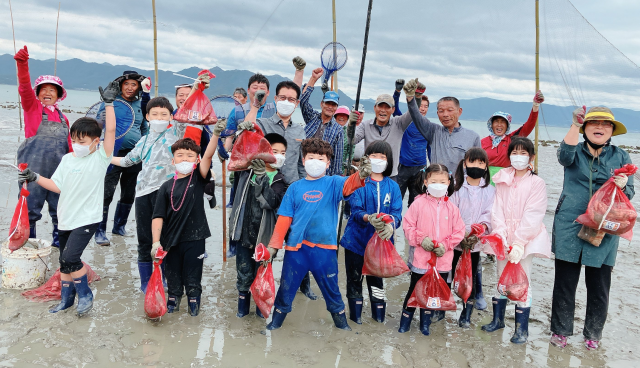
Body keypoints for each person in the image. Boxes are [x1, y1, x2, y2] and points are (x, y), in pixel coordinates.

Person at [18, 81, 118, 316]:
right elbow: (56, 186)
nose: (77, 145)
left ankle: (85, 295)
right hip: (66, 218)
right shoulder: (68, 159)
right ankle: (66, 300)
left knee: (71, 258)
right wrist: (35, 176)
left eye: (83, 141)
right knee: (64, 262)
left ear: (95, 142)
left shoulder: (101, 157)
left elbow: (111, 131)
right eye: (74, 141)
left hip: (87, 219)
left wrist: (110, 104)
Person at [263, 139, 372, 331]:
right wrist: (273, 247)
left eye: (320, 158)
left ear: (328, 163)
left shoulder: (334, 182)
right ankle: (275, 324)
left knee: (332, 290)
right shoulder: (294, 188)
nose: (315, 161)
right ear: (303, 160)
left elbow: (350, 185)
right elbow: (283, 220)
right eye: (311, 157)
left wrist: (360, 175)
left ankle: (342, 325)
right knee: (286, 288)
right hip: (296, 249)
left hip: (325, 250)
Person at [550, 106, 633, 350]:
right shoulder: (573, 149)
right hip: (570, 223)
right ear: (585, 128)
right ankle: (560, 331)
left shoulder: (621, 156)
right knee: (565, 282)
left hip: (606, 226)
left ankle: (593, 335)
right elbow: (563, 157)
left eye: (606, 124)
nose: (600, 127)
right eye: (593, 123)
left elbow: (630, 194)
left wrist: (625, 184)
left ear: (612, 131)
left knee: (599, 285)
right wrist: (574, 124)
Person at [110, 97, 189, 292]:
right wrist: (102, 158)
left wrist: (196, 89)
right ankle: (147, 283)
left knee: (168, 238)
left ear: (171, 116)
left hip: (169, 193)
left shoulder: (176, 133)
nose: (159, 118)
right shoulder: (143, 141)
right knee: (145, 239)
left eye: (164, 114)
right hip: (144, 194)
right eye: (155, 114)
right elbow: (128, 161)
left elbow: (186, 112)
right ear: (147, 117)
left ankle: (169, 279)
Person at [481, 137, 550, 344]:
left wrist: (519, 242)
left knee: (522, 281)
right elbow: (496, 209)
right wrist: (501, 234)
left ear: (531, 157)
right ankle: (498, 320)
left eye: (523, 153)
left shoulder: (536, 183)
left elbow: (534, 214)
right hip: (503, 238)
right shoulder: (502, 178)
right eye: (514, 153)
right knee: (501, 277)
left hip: (525, 240)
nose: (518, 157)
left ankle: (522, 329)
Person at [151, 132, 221, 316]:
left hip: (195, 238)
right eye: (180, 155)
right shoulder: (165, 187)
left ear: (196, 160)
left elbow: (208, 155)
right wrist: (156, 242)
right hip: (170, 240)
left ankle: (193, 302)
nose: (185, 159)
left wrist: (215, 135)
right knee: (172, 274)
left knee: (193, 274)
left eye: (190, 156)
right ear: (173, 160)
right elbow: (158, 216)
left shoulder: (198, 178)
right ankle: (173, 300)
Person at [13, 45, 72, 248]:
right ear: (37, 93)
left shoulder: (64, 118)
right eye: (44, 89)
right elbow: (23, 87)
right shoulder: (32, 108)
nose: (48, 92)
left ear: (58, 94)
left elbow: (71, 148)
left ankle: (59, 248)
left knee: (61, 211)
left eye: (52, 90)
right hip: (32, 172)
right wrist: (22, 64)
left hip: (58, 174)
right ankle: (28, 246)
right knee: (29, 211)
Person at [340, 141, 402, 324]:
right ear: (367, 158)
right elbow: (355, 210)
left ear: (389, 161)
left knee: (376, 283)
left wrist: (391, 225)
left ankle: (378, 318)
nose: (378, 160)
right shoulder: (359, 183)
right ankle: (355, 318)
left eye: (383, 157)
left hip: (381, 245)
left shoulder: (393, 187)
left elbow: (397, 213)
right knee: (354, 280)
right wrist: (369, 218)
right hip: (356, 242)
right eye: (374, 156)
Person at [400, 164, 465, 335]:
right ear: (426, 181)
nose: (438, 185)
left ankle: (425, 323)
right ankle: (405, 321)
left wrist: (446, 245)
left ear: (449, 182)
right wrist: (422, 239)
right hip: (420, 259)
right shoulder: (418, 204)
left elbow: (459, 231)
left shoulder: (452, 208)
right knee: (415, 288)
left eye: (442, 181)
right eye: (434, 181)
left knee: (433, 293)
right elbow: (408, 226)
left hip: (442, 261)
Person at [230, 133, 288, 318]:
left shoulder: (281, 180)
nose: (278, 155)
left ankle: (260, 314)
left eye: (283, 152)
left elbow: (271, 201)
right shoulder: (246, 172)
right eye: (274, 151)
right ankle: (242, 313)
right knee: (243, 275)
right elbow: (236, 154)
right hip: (244, 234)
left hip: (266, 238)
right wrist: (242, 134)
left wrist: (263, 177)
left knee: (261, 277)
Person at [95, 70, 151, 246]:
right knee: (107, 193)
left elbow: (144, 129)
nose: (129, 87)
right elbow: (97, 125)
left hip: (134, 155)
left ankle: (119, 227)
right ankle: (100, 231)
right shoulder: (110, 102)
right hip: (112, 153)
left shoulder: (141, 106)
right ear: (120, 86)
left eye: (133, 84)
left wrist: (146, 147)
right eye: (126, 84)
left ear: (138, 88)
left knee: (129, 193)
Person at [449, 148, 495, 327]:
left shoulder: (490, 191)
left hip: (474, 244)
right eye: (472, 162)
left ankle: (466, 314)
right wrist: (460, 234)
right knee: (449, 274)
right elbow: (452, 213)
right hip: (454, 242)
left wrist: (480, 230)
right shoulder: (455, 188)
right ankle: (443, 307)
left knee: (470, 279)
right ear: (464, 164)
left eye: (481, 162)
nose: (476, 165)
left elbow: (489, 213)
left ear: (486, 166)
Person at [404, 79, 481, 173]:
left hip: (461, 185)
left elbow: (478, 166)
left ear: (459, 111)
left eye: (450, 110)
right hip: (436, 183)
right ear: (437, 113)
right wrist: (411, 98)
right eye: (441, 111)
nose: (445, 114)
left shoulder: (473, 136)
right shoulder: (433, 131)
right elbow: (417, 117)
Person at [481, 91, 545, 183]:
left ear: (507, 126)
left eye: (503, 122)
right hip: (485, 179)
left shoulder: (512, 139)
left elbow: (529, 126)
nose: (499, 125)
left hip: (507, 179)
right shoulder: (483, 142)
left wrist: (535, 105)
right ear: (491, 125)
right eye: (496, 121)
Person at [352, 92, 420, 178]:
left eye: (387, 107)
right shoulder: (365, 125)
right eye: (380, 106)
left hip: (390, 176)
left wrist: (417, 97)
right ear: (375, 108)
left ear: (393, 110)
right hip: (369, 175)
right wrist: (351, 125)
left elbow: (413, 112)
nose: (383, 110)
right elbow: (352, 140)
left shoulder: (399, 123)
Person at [392, 79, 431, 206]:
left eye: (426, 107)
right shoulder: (404, 122)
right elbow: (395, 107)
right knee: (395, 201)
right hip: (403, 167)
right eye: (420, 105)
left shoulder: (428, 126)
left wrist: (433, 169)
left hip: (420, 169)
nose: (423, 109)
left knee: (416, 204)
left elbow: (430, 150)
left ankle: (412, 226)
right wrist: (397, 91)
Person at [299, 68, 344, 176]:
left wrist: (334, 180)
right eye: (327, 103)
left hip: (323, 173)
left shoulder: (338, 130)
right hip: (303, 169)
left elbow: (337, 160)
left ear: (336, 108)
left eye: (333, 105)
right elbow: (303, 101)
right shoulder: (312, 117)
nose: (330, 107)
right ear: (321, 104)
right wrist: (313, 79)